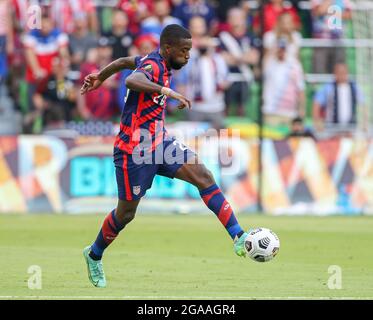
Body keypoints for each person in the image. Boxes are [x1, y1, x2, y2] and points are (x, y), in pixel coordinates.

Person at [80, 24, 250, 288]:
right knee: (125, 214)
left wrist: (101, 76)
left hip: (160, 143)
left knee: (204, 176)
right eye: (183, 51)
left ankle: (238, 236)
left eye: (189, 50)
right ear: (168, 49)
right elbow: (131, 79)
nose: (187, 55)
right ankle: (94, 254)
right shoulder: (154, 67)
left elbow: (126, 62)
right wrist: (166, 91)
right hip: (133, 150)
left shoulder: (155, 61)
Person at [263, 37, 305, 128]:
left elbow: (301, 89)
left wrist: (301, 110)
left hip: (290, 113)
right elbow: (260, 70)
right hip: (272, 111)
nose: (281, 51)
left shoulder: (294, 65)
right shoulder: (270, 63)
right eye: (279, 49)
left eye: (283, 49)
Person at [312, 63, 365, 134]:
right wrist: (317, 122)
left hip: (350, 128)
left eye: (343, 72)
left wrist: (364, 122)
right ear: (335, 74)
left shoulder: (354, 87)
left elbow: (363, 106)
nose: (341, 75)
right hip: (331, 128)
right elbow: (316, 104)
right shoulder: (328, 87)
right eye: (339, 72)